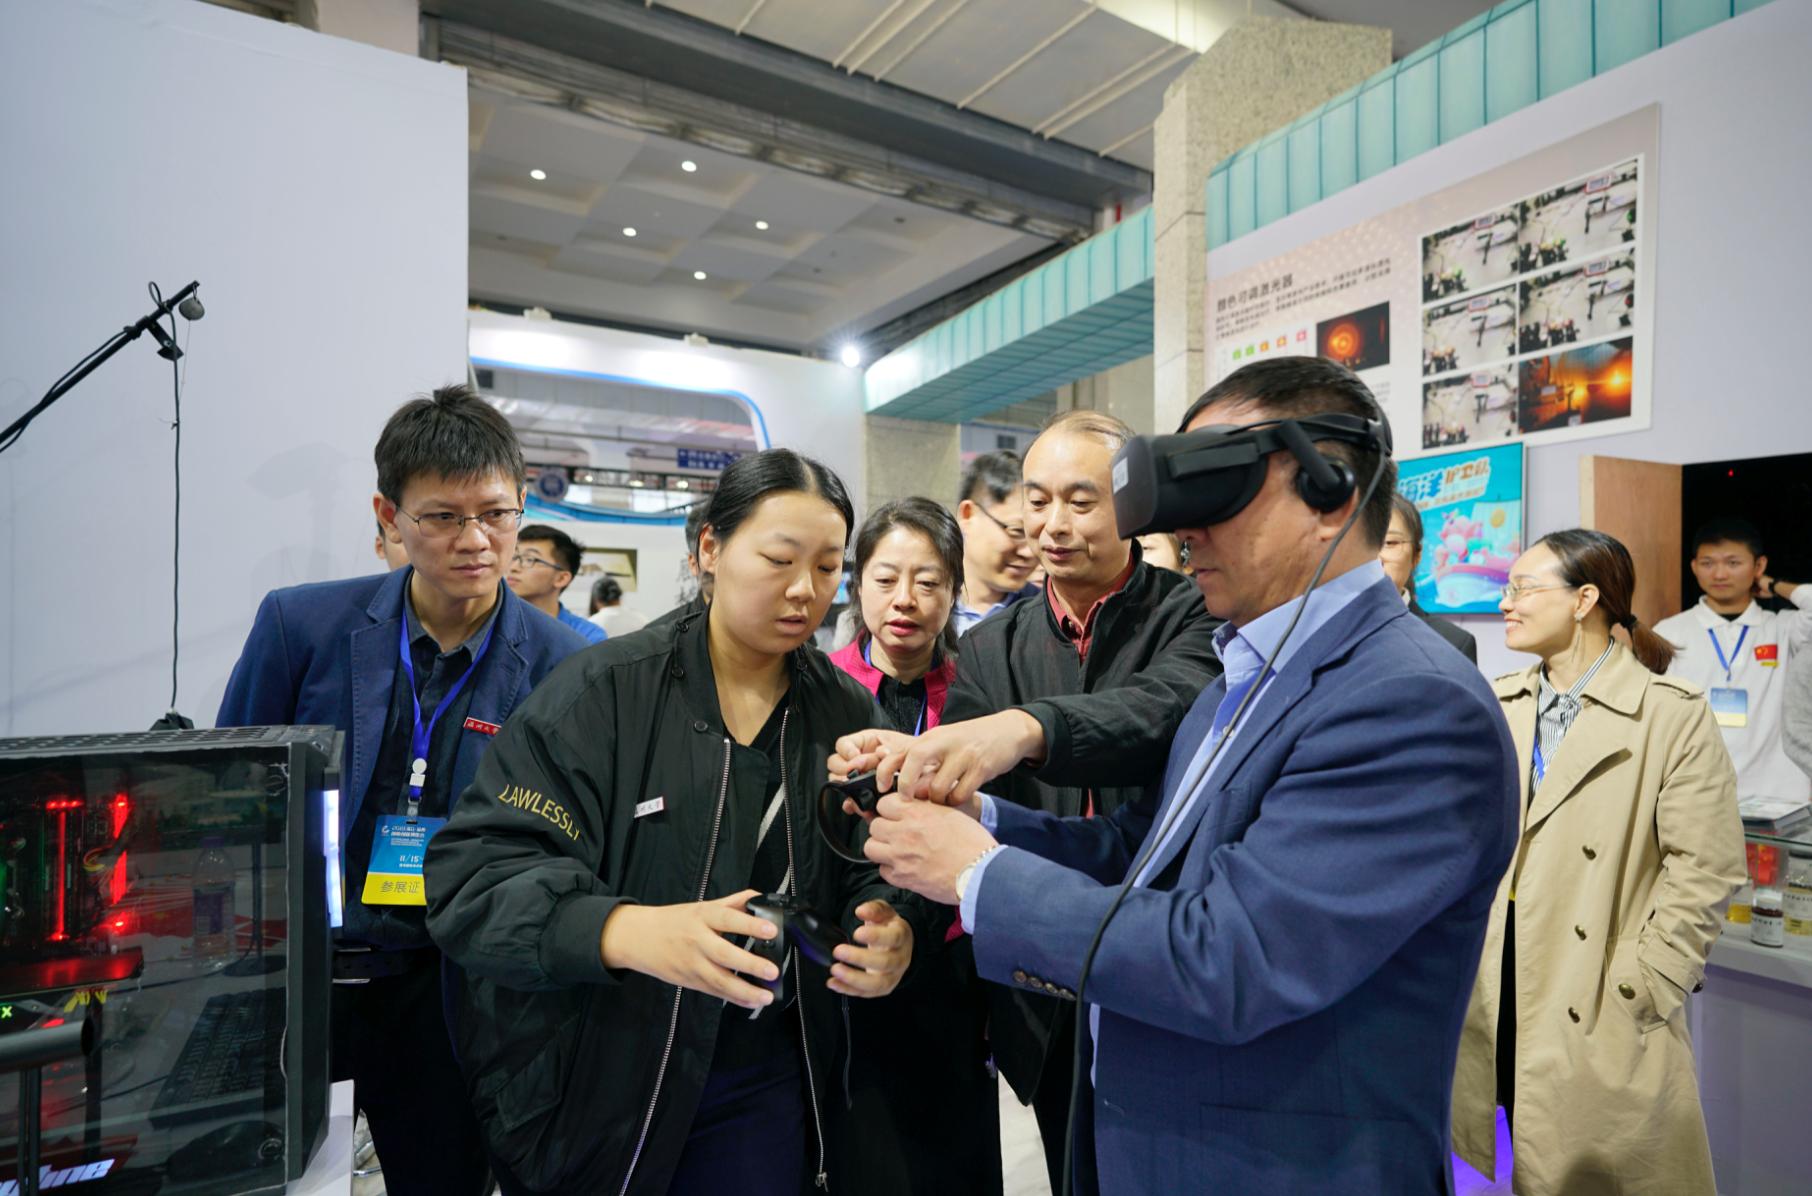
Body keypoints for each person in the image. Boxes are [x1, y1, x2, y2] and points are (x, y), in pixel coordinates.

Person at [846, 357, 1519, 1194]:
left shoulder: (1408, 701)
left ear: (1331, 495)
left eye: (1215, 492)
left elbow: (1232, 959)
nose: (1184, 530)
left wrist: (981, 876)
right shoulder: (1246, 676)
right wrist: (985, 818)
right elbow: (1140, 852)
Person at [423, 450, 934, 1196]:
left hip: (767, 1073)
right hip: (609, 1062)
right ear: (709, 549)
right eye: (780, 560)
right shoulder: (603, 693)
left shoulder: (847, 711)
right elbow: (476, 879)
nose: (806, 590)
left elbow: (879, 862)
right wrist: (624, 930)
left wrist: (895, 923)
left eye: (829, 568)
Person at [218, 385, 587, 1196]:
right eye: (443, 517)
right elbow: (233, 800)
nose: (476, 540)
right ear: (389, 515)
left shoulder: (564, 665)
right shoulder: (302, 627)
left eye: (495, 514)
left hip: (452, 989)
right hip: (305, 978)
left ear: (522, 507)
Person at [843, 408, 1223, 1193]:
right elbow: (960, 808)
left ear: (1132, 504)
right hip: (1040, 978)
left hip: (1162, 954)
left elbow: (1161, 711)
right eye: (1037, 500)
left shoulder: (1192, 614)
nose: (1051, 524)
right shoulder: (992, 645)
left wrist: (1024, 728)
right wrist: (904, 909)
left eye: (1080, 501)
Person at [1453, 529, 1745, 1195]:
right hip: (1499, 980)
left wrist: (1647, 981)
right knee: (1519, 1156)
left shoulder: (1669, 715)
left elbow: (1706, 866)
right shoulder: (1498, 701)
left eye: (1523, 588)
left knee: (1601, 1171)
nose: (1505, 603)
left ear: (1584, 600)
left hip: (1598, 991)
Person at [824, 498, 1000, 1196]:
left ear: (954, 592)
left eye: (929, 582)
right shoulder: (822, 687)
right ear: (857, 583)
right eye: (886, 578)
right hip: (850, 952)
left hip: (954, 963)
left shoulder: (980, 700)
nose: (905, 599)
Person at [1652, 518, 1811, 799]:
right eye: (1707, 563)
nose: (1720, 574)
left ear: (1759, 566)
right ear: (1693, 567)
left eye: (1733, 563)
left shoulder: (1782, 628)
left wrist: (1773, 584)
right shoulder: (1669, 632)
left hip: (1777, 795)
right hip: (1697, 792)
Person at [1379, 492, 1478, 663]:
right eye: (1363, 544)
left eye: (1390, 542)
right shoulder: (1330, 629)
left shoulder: (1452, 643)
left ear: (1416, 555)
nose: (1376, 557)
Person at [953, 450, 1039, 635]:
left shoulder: (1046, 618)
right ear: (968, 515)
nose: (1030, 552)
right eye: (1017, 531)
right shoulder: (922, 605)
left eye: (1036, 536)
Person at [507, 523, 607, 644]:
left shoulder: (586, 636)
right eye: (514, 557)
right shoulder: (493, 624)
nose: (513, 567)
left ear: (561, 579)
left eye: (530, 559)